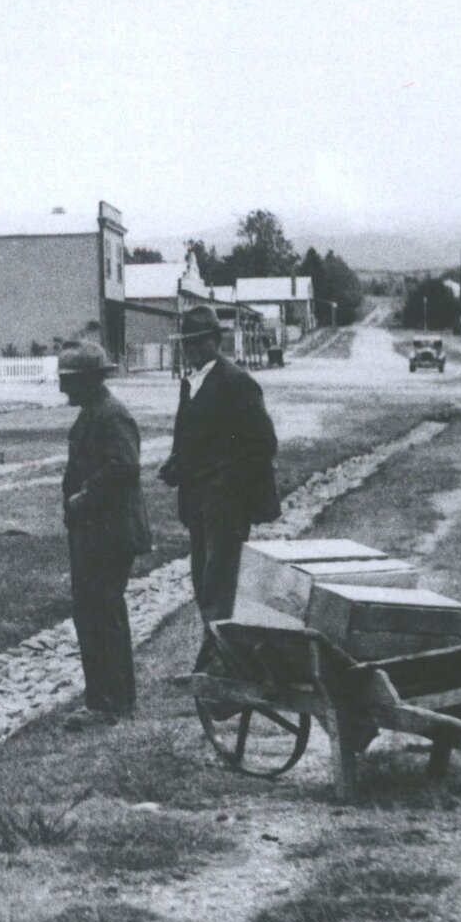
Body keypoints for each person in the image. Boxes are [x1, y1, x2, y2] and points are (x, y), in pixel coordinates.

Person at [158, 306, 281, 668]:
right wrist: (176, 463)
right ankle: (214, 656)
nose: (192, 349)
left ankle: (223, 662)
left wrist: (225, 481)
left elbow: (262, 443)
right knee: (202, 580)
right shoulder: (191, 382)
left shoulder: (236, 380)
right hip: (197, 500)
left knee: (221, 581)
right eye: (188, 343)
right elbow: (191, 439)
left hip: (226, 503)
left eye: (199, 342)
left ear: (216, 340)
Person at [58, 342, 153, 729]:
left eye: (69, 382)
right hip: (97, 533)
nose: (63, 390)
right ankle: (111, 699)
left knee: (100, 615)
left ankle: (108, 704)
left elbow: (124, 467)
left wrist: (84, 495)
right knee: (98, 614)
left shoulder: (110, 415)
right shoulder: (94, 412)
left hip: (109, 534)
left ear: (89, 381)